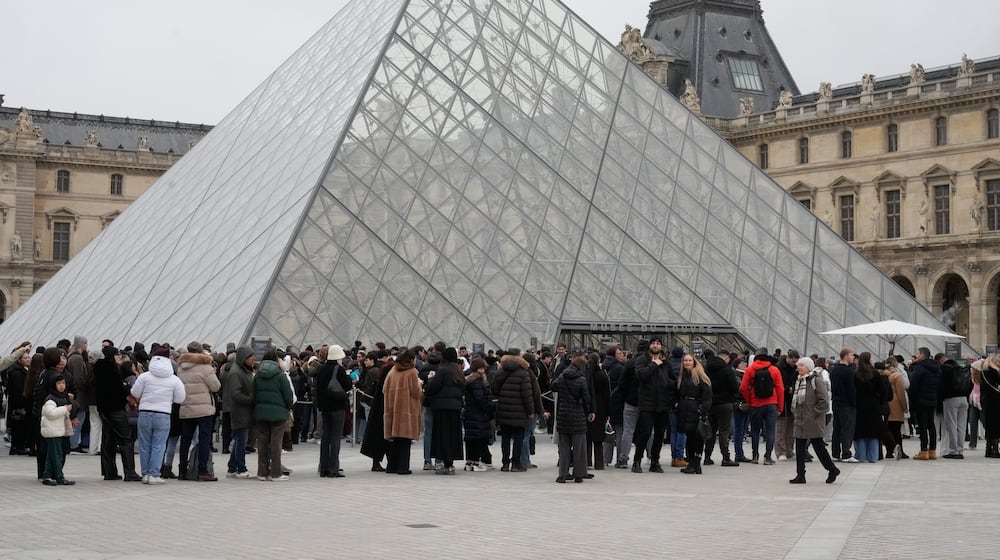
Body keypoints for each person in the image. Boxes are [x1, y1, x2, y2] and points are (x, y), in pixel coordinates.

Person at [131, 346, 185, 484]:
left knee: (144, 445)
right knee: (159, 445)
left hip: (144, 413)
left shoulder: (144, 377)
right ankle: (154, 474)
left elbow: (135, 393)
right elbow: (180, 399)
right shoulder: (174, 379)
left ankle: (145, 474)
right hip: (163, 414)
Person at [788, 357, 840, 484]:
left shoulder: (816, 380)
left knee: (818, 447)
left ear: (809, 367)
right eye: (798, 365)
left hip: (813, 421)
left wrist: (812, 413)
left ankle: (832, 469)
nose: (798, 367)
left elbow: (824, 402)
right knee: (800, 447)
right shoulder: (799, 380)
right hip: (800, 420)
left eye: (802, 365)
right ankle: (800, 475)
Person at [94, 346, 141, 481]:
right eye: (117, 355)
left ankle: (109, 472)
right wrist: (126, 388)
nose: (119, 357)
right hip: (115, 409)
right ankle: (130, 472)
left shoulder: (98, 369)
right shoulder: (113, 370)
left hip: (103, 409)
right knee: (125, 439)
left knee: (108, 441)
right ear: (111, 356)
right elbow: (119, 390)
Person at [177, 342, 221, 481]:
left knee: (185, 440)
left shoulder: (181, 368)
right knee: (204, 439)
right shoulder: (205, 367)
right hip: (204, 409)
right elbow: (215, 387)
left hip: (186, 407)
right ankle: (203, 471)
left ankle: (182, 470)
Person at [632, 338, 674, 473]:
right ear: (649, 346)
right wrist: (654, 365)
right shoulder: (642, 360)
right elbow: (640, 375)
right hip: (647, 404)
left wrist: (668, 384)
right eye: (653, 343)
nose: (656, 346)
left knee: (660, 434)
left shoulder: (666, 362)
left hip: (662, 404)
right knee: (644, 433)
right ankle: (637, 460)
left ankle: (655, 461)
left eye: (658, 344)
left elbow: (673, 379)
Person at [551, 350, 594, 483]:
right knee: (579, 448)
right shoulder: (582, 380)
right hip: (578, 417)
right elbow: (587, 399)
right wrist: (589, 412)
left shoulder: (563, 377)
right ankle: (579, 475)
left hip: (563, 416)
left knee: (564, 448)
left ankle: (562, 475)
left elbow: (553, 386)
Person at [254, 348, 294, 481]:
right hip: (278, 414)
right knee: (276, 444)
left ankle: (262, 472)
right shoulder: (280, 375)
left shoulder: (258, 375)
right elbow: (288, 396)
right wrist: (286, 408)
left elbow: (253, 394)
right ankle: (276, 473)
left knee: (262, 442)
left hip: (261, 413)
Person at [424, 347, 465, 475]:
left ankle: (443, 463)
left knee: (442, 435)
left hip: (442, 407)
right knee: (452, 435)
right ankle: (450, 464)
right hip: (455, 407)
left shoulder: (442, 370)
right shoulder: (458, 370)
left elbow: (433, 388)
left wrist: (430, 379)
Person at [740, 348, 784, 465]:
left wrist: (750, 401)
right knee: (770, 431)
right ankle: (768, 457)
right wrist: (780, 407)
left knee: (755, 431)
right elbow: (780, 389)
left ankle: (755, 456)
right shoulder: (774, 370)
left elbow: (743, 388)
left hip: (756, 404)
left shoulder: (750, 369)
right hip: (771, 404)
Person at [492, 349, 534, 472]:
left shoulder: (501, 370)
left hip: (504, 408)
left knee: (505, 437)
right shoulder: (523, 372)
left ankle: (505, 463)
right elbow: (527, 394)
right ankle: (516, 463)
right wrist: (530, 410)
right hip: (520, 410)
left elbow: (494, 388)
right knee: (518, 437)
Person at [314, 345, 351, 478]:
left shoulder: (322, 369)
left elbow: (318, 389)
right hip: (337, 406)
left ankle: (323, 468)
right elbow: (348, 386)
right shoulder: (339, 369)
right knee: (336, 437)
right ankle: (333, 468)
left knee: (326, 437)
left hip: (325, 407)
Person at [383, 351, 422, 475]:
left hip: (393, 410)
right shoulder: (412, 372)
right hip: (407, 411)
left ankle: (391, 466)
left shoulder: (393, 371)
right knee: (405, 441)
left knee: (396, 440)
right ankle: (403, 467)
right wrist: (421, 385)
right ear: (411, 360)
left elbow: (384, 389)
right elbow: (416, 392)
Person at [702, 349, 740, 466]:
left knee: (711, 431)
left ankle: (707, 457)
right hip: (725, 403)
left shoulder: (706, 369)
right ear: (726, 359)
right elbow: (734, 386)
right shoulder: (726, 369)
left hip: (710, 403)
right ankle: (725, 457)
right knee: (724, 431)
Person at [676, 354, 713, 474]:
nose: (687, 362)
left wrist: (702, 410)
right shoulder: (681, 377)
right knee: (690, 437)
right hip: (684, 410)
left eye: (689, 360)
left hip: (695, 410)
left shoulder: (700, 377)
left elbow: (707, 395)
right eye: (685, 360)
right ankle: (692, 463)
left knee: (696, 438)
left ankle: (695, 463)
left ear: (694, 362)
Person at [40, 374, 77, 486]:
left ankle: (47, 476)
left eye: (63, 383)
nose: (62, 386)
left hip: (57, 430)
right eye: (59, 383)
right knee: (56, 454)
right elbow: (50, 413)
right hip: (52, 430)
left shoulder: (62, 397)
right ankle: (59, 477)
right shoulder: (51, 399)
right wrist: (64, 409)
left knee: (53, 454)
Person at [223, 346, 255, 478]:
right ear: (244, 358)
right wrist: (250, 400)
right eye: (251, 357)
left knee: (239, 440)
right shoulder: (236, 372)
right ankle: (241, 469)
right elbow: (235, 394)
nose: (253, 359)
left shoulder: (243, 370)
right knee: (241, 440)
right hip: (240, 411)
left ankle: (232, 468)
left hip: (243, 411)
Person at [909, 347, 941, 460]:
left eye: (918, 354)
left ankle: (924, 451)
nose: (917, 356)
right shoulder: (936, 368)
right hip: (932, 399)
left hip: (920, 400)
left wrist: (912, 398)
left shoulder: (920, 368)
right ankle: (932, 450)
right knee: (931, 424)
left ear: (922, 355)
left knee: (922, 426)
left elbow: (913, 385)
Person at [853, 352, 886, 463]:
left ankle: (861, 456)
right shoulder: (875, 373)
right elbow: (881, 391)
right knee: (873, 432)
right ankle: (873, 456)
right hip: (873, 406)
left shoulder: (856, 373)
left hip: (859, 406)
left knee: (860, 432)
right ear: (868, 359)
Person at [462, 357, 493, 472]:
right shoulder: (477, 382)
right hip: (477, 414)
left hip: (470, 413)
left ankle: (469, 462)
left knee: (470, 439)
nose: (484, 370)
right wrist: (488, 408)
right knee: (477, 438)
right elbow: (480, 399)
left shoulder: (469, 380)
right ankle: (476, 462)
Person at [937, 353, 970, 459]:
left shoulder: (943, 369)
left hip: (950, 399)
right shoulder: (959, 368)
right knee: (961, 426)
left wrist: (939, 400)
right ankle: (960, 450)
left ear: (940, 361)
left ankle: (954, 450)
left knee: (951, 425)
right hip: (964, 399)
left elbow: (941, 387)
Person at [360, 353, 389, 471]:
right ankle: (381, 462)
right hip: (379, 406)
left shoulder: (373, 371)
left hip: (373, 405)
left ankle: (376, 462)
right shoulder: (378, 371)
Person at [830, 348, 858, 462]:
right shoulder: (848, 371)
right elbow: (851, 390)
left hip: (836, 402)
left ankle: (835, 453)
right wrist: (854, 403)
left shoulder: (834, 370)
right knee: (847, 429)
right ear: (845, 356)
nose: (853, 357)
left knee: (837, 429)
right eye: (852, 355)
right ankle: (846, 453)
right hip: (847, 404)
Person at [5, 348, 32, 455]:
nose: (28, 359)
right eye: (25, 358)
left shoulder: (22, 370)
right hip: (19, 403)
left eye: (28, 357)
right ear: (19, 360)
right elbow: (18, 389)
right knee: (19, 426)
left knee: (20, 426)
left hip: (19, 402)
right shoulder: (17, 372)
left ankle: (17, 447)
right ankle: (18, 447)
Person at [882, 359, 909, 459]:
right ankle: (900, 450)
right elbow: (901, 392)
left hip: (886, 404)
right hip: (896, 404)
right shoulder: (897, 376)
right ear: (895, 364)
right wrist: (904, 406)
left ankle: (889, 451)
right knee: (897, 430)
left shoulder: (884, 375)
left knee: (888, 429)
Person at [977, 353, 1000, 458]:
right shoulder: (995, 372)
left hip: (986, 401)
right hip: (996, 401)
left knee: (990, 425)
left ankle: (988, 449)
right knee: (996, 426)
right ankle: (995, 450)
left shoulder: (984, 372)